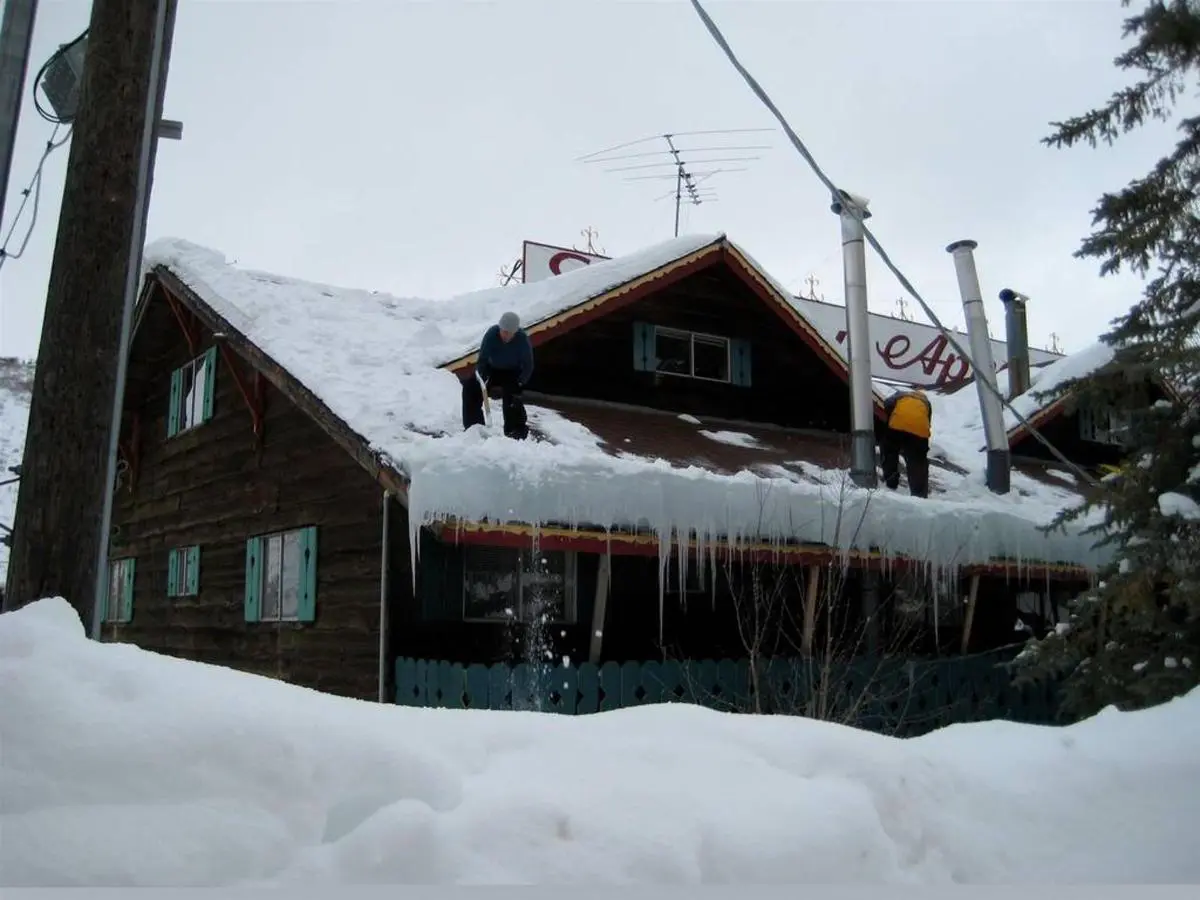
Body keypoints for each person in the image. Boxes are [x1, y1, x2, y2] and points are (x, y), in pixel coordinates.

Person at [462, 311, 534, 439]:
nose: (505, 335)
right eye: (503, 331)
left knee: (513, 396)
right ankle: (474, 427)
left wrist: (521, 382)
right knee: (470, 387)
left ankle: (515, 431)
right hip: (492, 369)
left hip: (512, 372)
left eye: (509, 333)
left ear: (515, 332)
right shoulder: (491, 334)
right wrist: (481, 377)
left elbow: (528, 365)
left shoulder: (522, 339)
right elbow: (482, 359)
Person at [879, 388, 932, 498]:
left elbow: (887, 404)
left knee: (889, 450)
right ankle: (919, 494)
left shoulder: (900, 395)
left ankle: (891, 479)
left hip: (897, 425)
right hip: (919, 430)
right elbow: (927, 419)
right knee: (918, 460)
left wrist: (891, 418)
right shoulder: (926, 402)